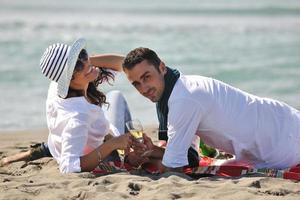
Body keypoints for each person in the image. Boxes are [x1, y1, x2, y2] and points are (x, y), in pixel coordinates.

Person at [122, 47, 300, 172]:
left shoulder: (182, 100)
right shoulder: (181, 85)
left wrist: (148, 160)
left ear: (162, 67)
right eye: (137, 83)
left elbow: (174, 166)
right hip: (283, 119)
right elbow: (187, 154)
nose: (143, 89)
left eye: (147, 77)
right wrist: (152, 149)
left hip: (282, 146)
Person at [37, 38, 134, 173]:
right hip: (97, 152)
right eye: (76, 65)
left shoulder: (58, 86)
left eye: (81, 54)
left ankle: (131, 149)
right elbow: (68, 167)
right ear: (68, 80)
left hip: (68, 141)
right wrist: (113, 144)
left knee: (115, 96)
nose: (84, 62)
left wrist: (86, 62)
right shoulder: (78, 118)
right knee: (117, 96)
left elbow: (124, 63)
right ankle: (131, 153)